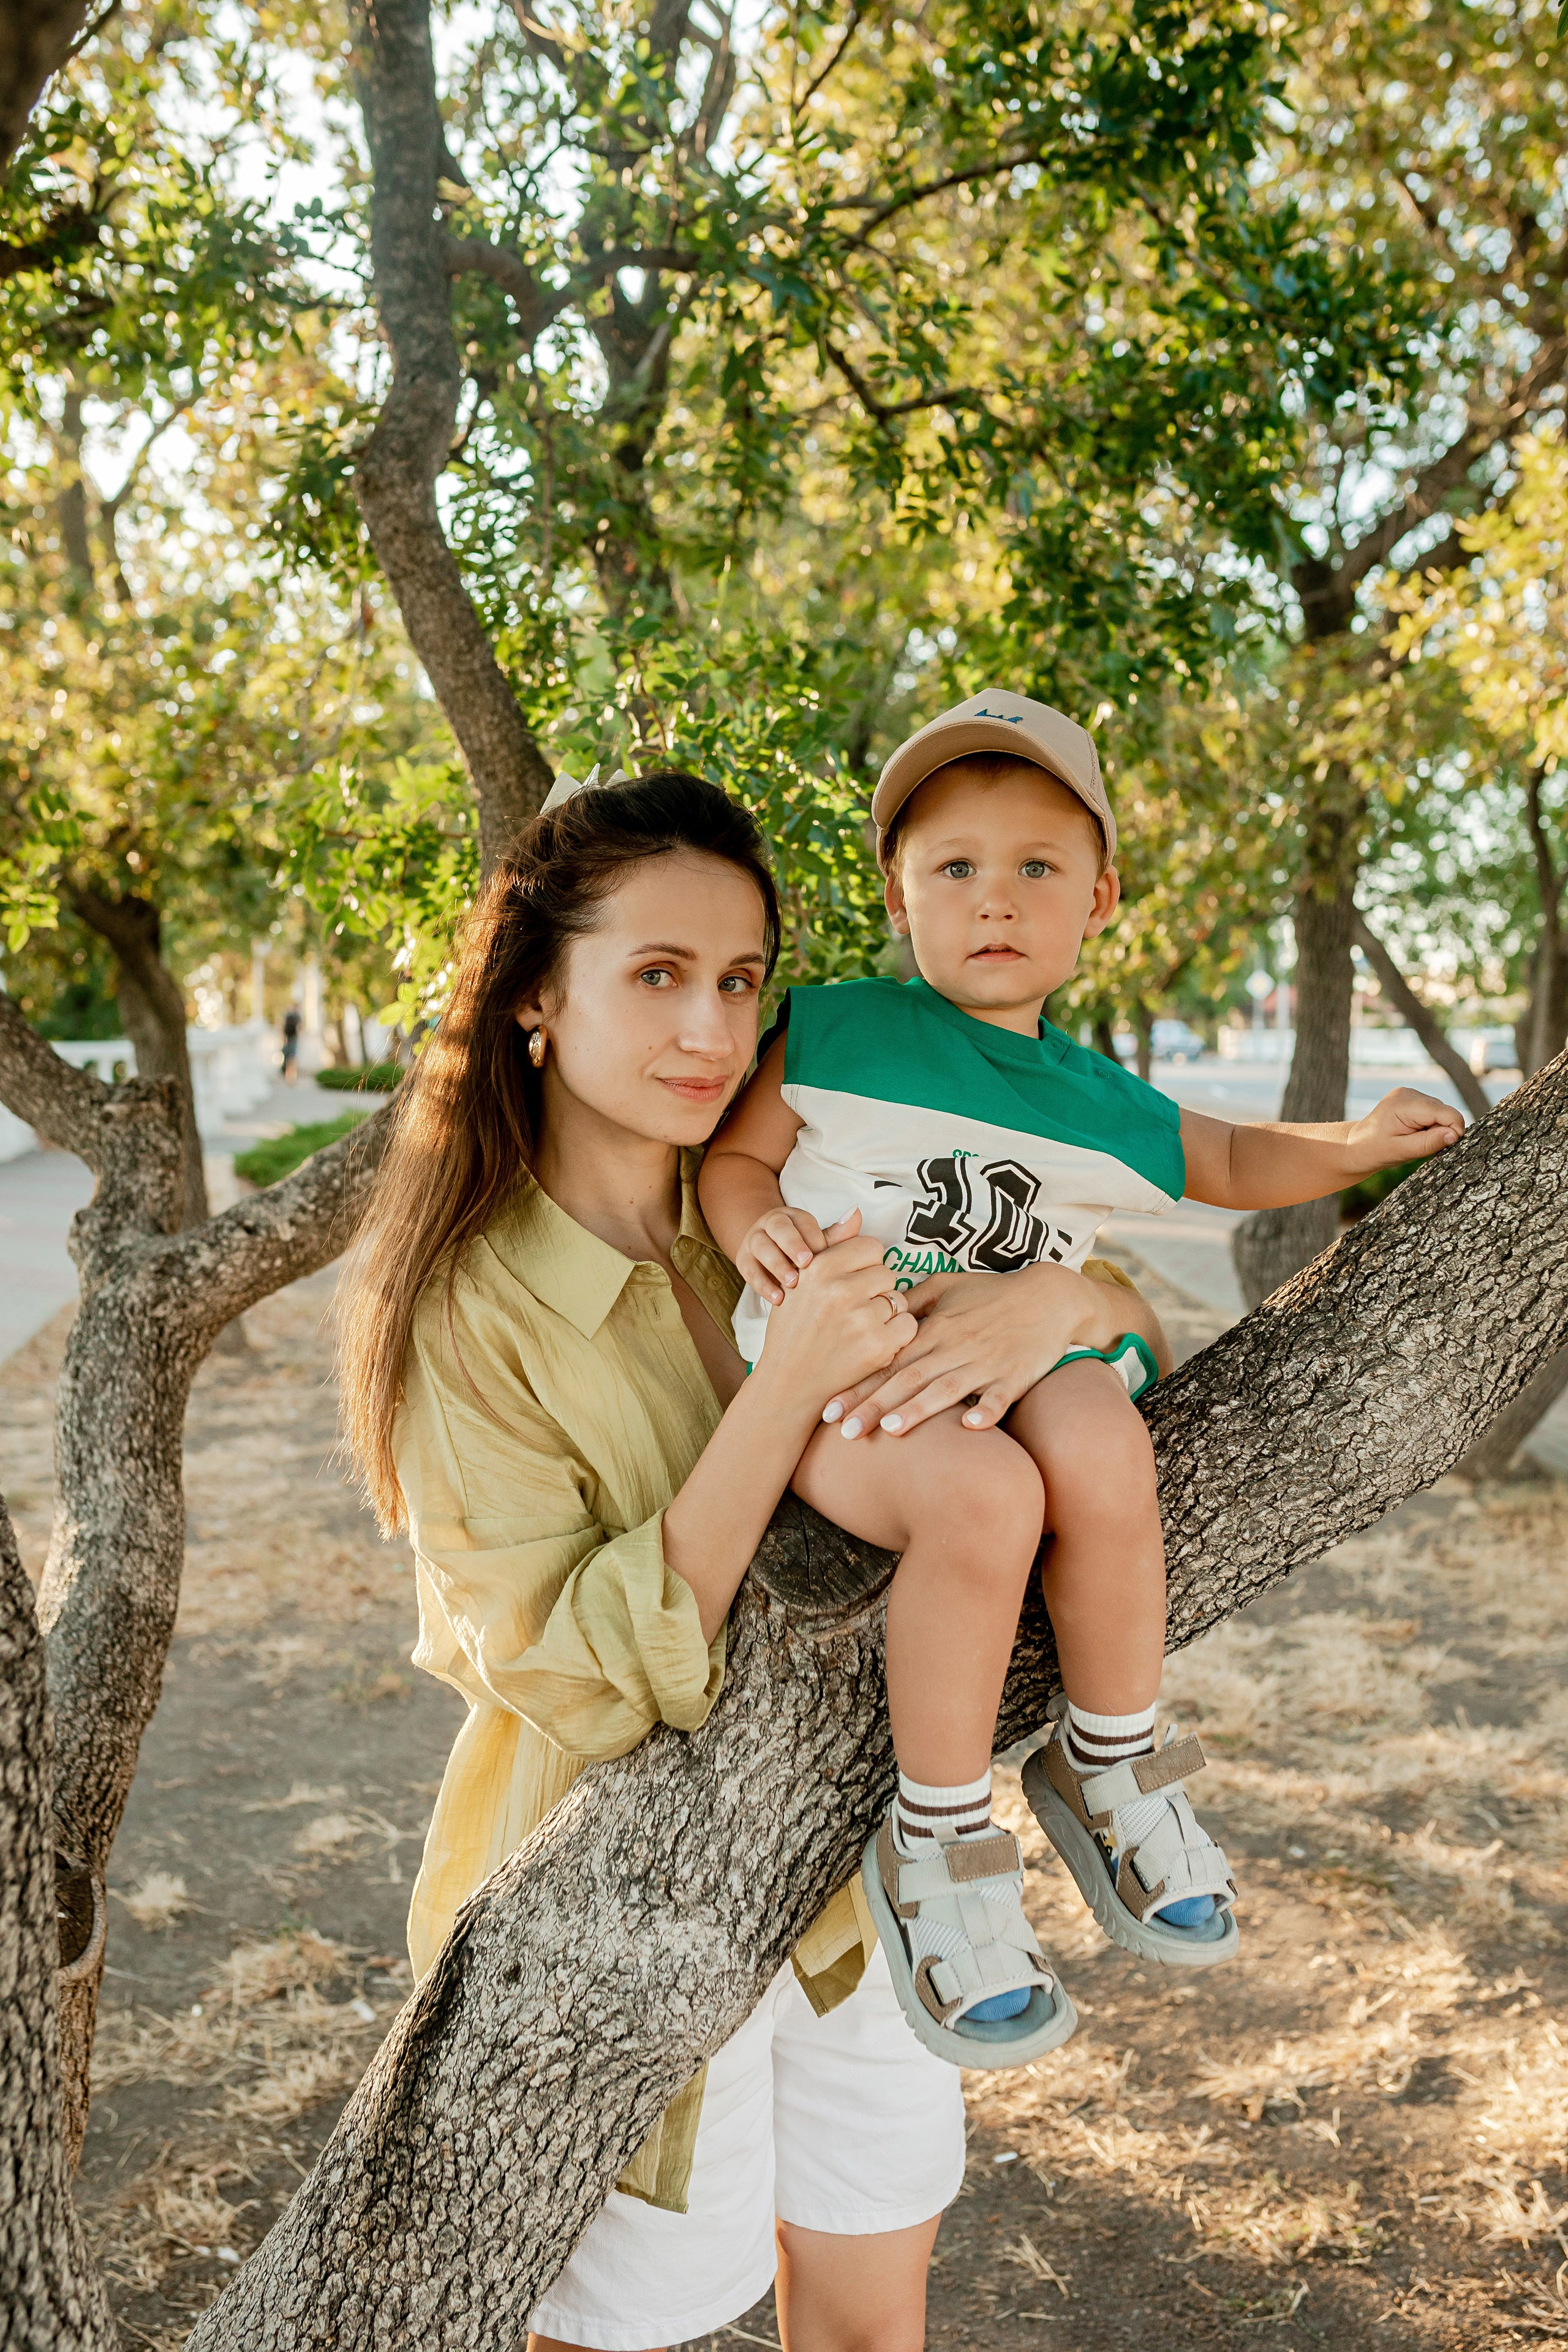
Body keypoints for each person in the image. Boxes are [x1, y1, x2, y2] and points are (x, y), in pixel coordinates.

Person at [699, 688, 1466, 2069]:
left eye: (1035, 869)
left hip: (1021, 1349)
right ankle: (936, 1835)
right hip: (839, 1370)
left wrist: (1352, 1141)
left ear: (1098, 898)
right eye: (954, 870)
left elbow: (1229, 1161)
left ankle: (1108, 1751)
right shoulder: (831, 1028)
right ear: (897, 895)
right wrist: (743, 1208)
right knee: (987, 1502)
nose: (992, 900)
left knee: (1104, 1442)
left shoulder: (1097, 1099)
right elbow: (736, 1156)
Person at [337, 769, 982, 2352]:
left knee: (869, 2332)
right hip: (617, 1913)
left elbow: (1080, 1296)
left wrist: (1059, 1302)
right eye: (659, 976)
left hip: (858, 1889)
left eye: (743, 982)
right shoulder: (465, 1312)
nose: (714, 1029)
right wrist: (778, 1393)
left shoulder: (783, 1206)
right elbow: (580, 1667)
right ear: (535, 1001)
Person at [280, 1003, 301, 1082]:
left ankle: (290, 1075)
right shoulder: (289, 1016)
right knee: (289, 1057)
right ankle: (288, 1074)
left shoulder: (295, 1016)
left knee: (291, 1057)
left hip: (292, 1039)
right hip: (289, 1039)